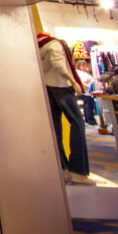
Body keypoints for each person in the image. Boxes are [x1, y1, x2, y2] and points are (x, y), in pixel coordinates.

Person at [37, 32, 93, 186]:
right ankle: (78, 170)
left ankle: (62, 167)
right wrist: (73, 80)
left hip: (47, 87)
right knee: (78, 124)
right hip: (61, 86)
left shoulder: (39, 44)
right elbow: (58, 64)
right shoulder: (54, 44)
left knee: (55, 128)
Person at [76, 60, 97, 126]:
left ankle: (89, 119)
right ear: (79, 66)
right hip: (87, 92)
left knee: (87, 105)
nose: (85, 66)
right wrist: (90, 88)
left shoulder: (83, 73)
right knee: (88, 106)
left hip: (88, 92)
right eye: (83, 65)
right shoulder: (80, 73)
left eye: (85, 65)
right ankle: (90, 120)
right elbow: (83, 83)